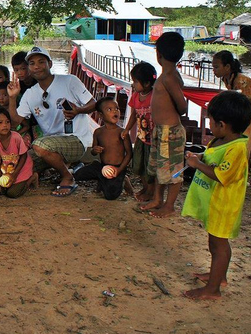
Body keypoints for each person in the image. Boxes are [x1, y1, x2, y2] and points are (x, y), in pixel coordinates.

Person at [182, 91, 251, 300]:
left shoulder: (238, 149)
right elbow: (212, 156)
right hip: (214, 204)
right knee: (215, 243)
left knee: (219, 246)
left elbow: (221, 176)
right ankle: (217, 276)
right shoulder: (220, 140)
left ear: (222, 124)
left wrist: (197, 164)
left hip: (224, 206)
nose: (208, 124)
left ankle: (213, 290)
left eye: (210, 120)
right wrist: (200, 156)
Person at [6, 46, 96, 197]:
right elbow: (15, 122)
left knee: (39, 145)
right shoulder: (30, 93)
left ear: (50, 64)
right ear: (29, 68)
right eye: (32, 63)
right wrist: (12, 98)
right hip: (48, 147)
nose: (37, 66)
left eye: (41, 62)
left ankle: (68, 177)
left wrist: (77, 111)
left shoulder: (69, 81)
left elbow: (93, 103)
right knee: (14, 178)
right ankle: (35, 174)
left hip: (76, 140)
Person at [139, 32, 187, 218]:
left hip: (170, 132)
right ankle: (158, 199)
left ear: (158, 54)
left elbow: (182, 106)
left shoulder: (169, 78)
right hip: (161, 131)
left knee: (173, 170)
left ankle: (169, 205)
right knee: (161, 167)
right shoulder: (168, 75)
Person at [74, 97, 132, 200]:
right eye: (109, 109)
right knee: (78, 175)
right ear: (101, 115)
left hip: (118, 167)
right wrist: (95, 150)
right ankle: (100, 176)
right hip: (102, 166)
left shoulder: (122, 133)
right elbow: (93, 152)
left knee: (111, 196)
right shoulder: (98, 132)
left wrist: (119, 170)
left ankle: (124, 179)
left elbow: (129, 154)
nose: (115, 111)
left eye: (117, 108)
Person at [0, 108, 36, 198]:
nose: (5, 125)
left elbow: (24, 156)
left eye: (7, 122)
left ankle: (32, 178)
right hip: (6, 170)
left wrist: (14, 175)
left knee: (12, 193)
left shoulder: (16, 137)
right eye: (0, 122)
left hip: (20, 169)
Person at [123, 62, 156, 202]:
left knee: (150, 167)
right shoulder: (136, 96)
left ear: (147, 83)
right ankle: (145, 187)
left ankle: (151, 191)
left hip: (153, 139)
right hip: (141, 137)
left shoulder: (155, 97)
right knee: (139, 164)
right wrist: (127, 129)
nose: (133, 84)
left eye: (136, 81)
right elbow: (133, 115)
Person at [212, 50, 251, 155]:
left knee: (244, 145)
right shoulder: (226, 79)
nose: (213, 71)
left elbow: (245, 106)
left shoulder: (241, 81)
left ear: (227, 67)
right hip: (244, 114)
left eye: (216, 67)